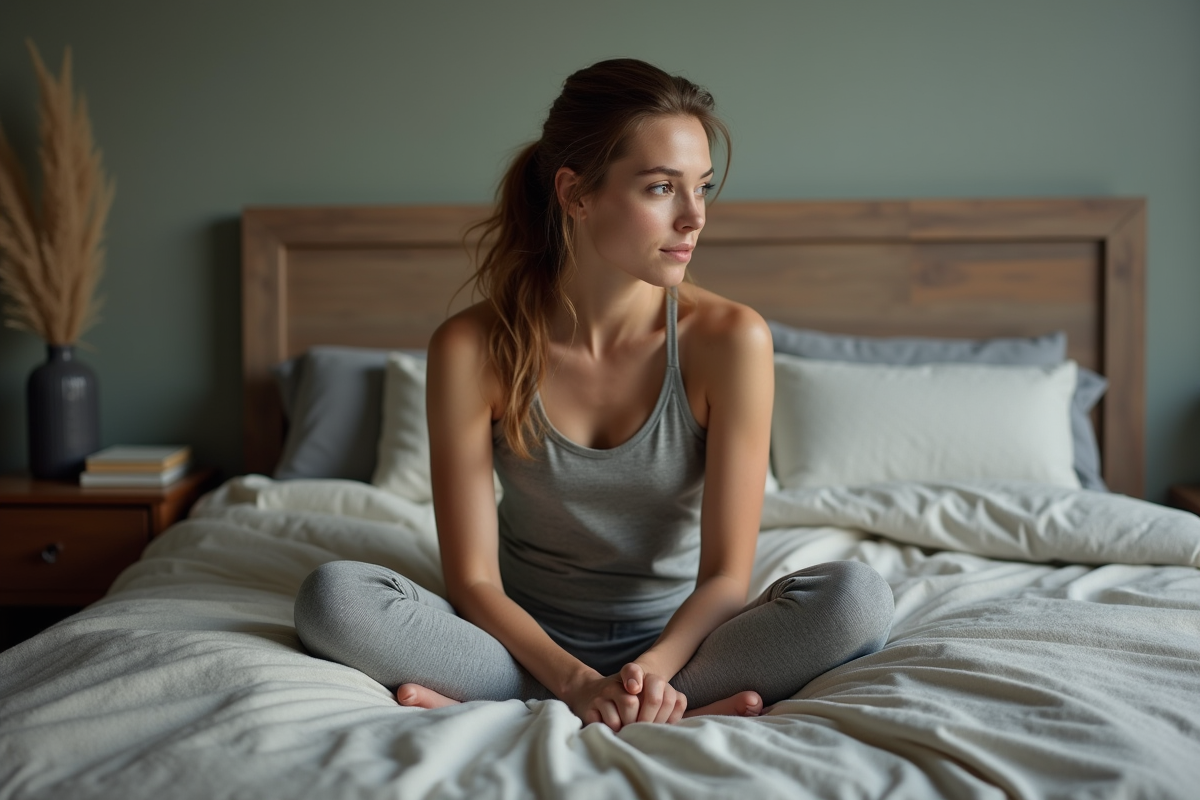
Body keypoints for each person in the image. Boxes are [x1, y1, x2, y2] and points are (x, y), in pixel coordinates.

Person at [294, 58, 894, 732]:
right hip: (516, 643)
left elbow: (726, 577)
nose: (694, 217)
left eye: (703, 187)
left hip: (686, 645)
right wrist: (576, 681)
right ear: (576, 194)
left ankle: (583, 705)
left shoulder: (729, 339)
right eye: (662, 188)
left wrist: (653, 671)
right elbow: (473, 582)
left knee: (856, 599)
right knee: (334, 599)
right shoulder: (469, 347)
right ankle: (609, 704)